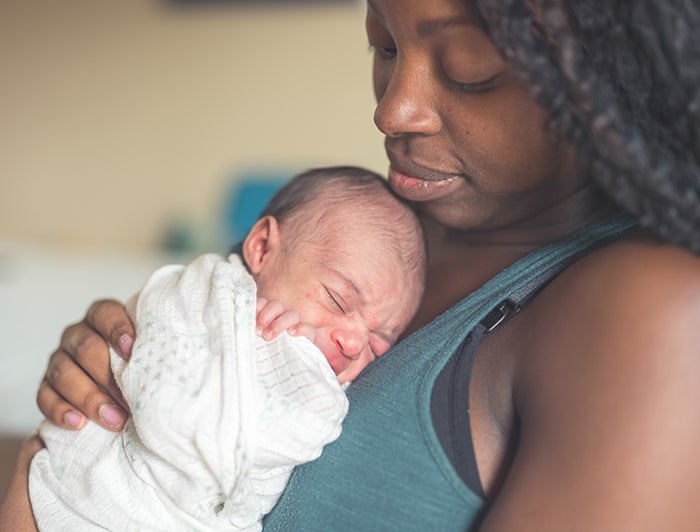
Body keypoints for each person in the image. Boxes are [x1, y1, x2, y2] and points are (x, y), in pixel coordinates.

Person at [4, 0, 700, 530]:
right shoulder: (373, 234)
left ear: (608, 76)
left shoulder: (654, 314)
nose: (393, 110)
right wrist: (102, 367)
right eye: (383, 46)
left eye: (469, 70)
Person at [8, 166, 427, 531]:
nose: (354, 343)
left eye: (380, 341)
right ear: (261, 248)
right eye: (336, 300)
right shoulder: (207, 294)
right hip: (83, 498)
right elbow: (170, 416)